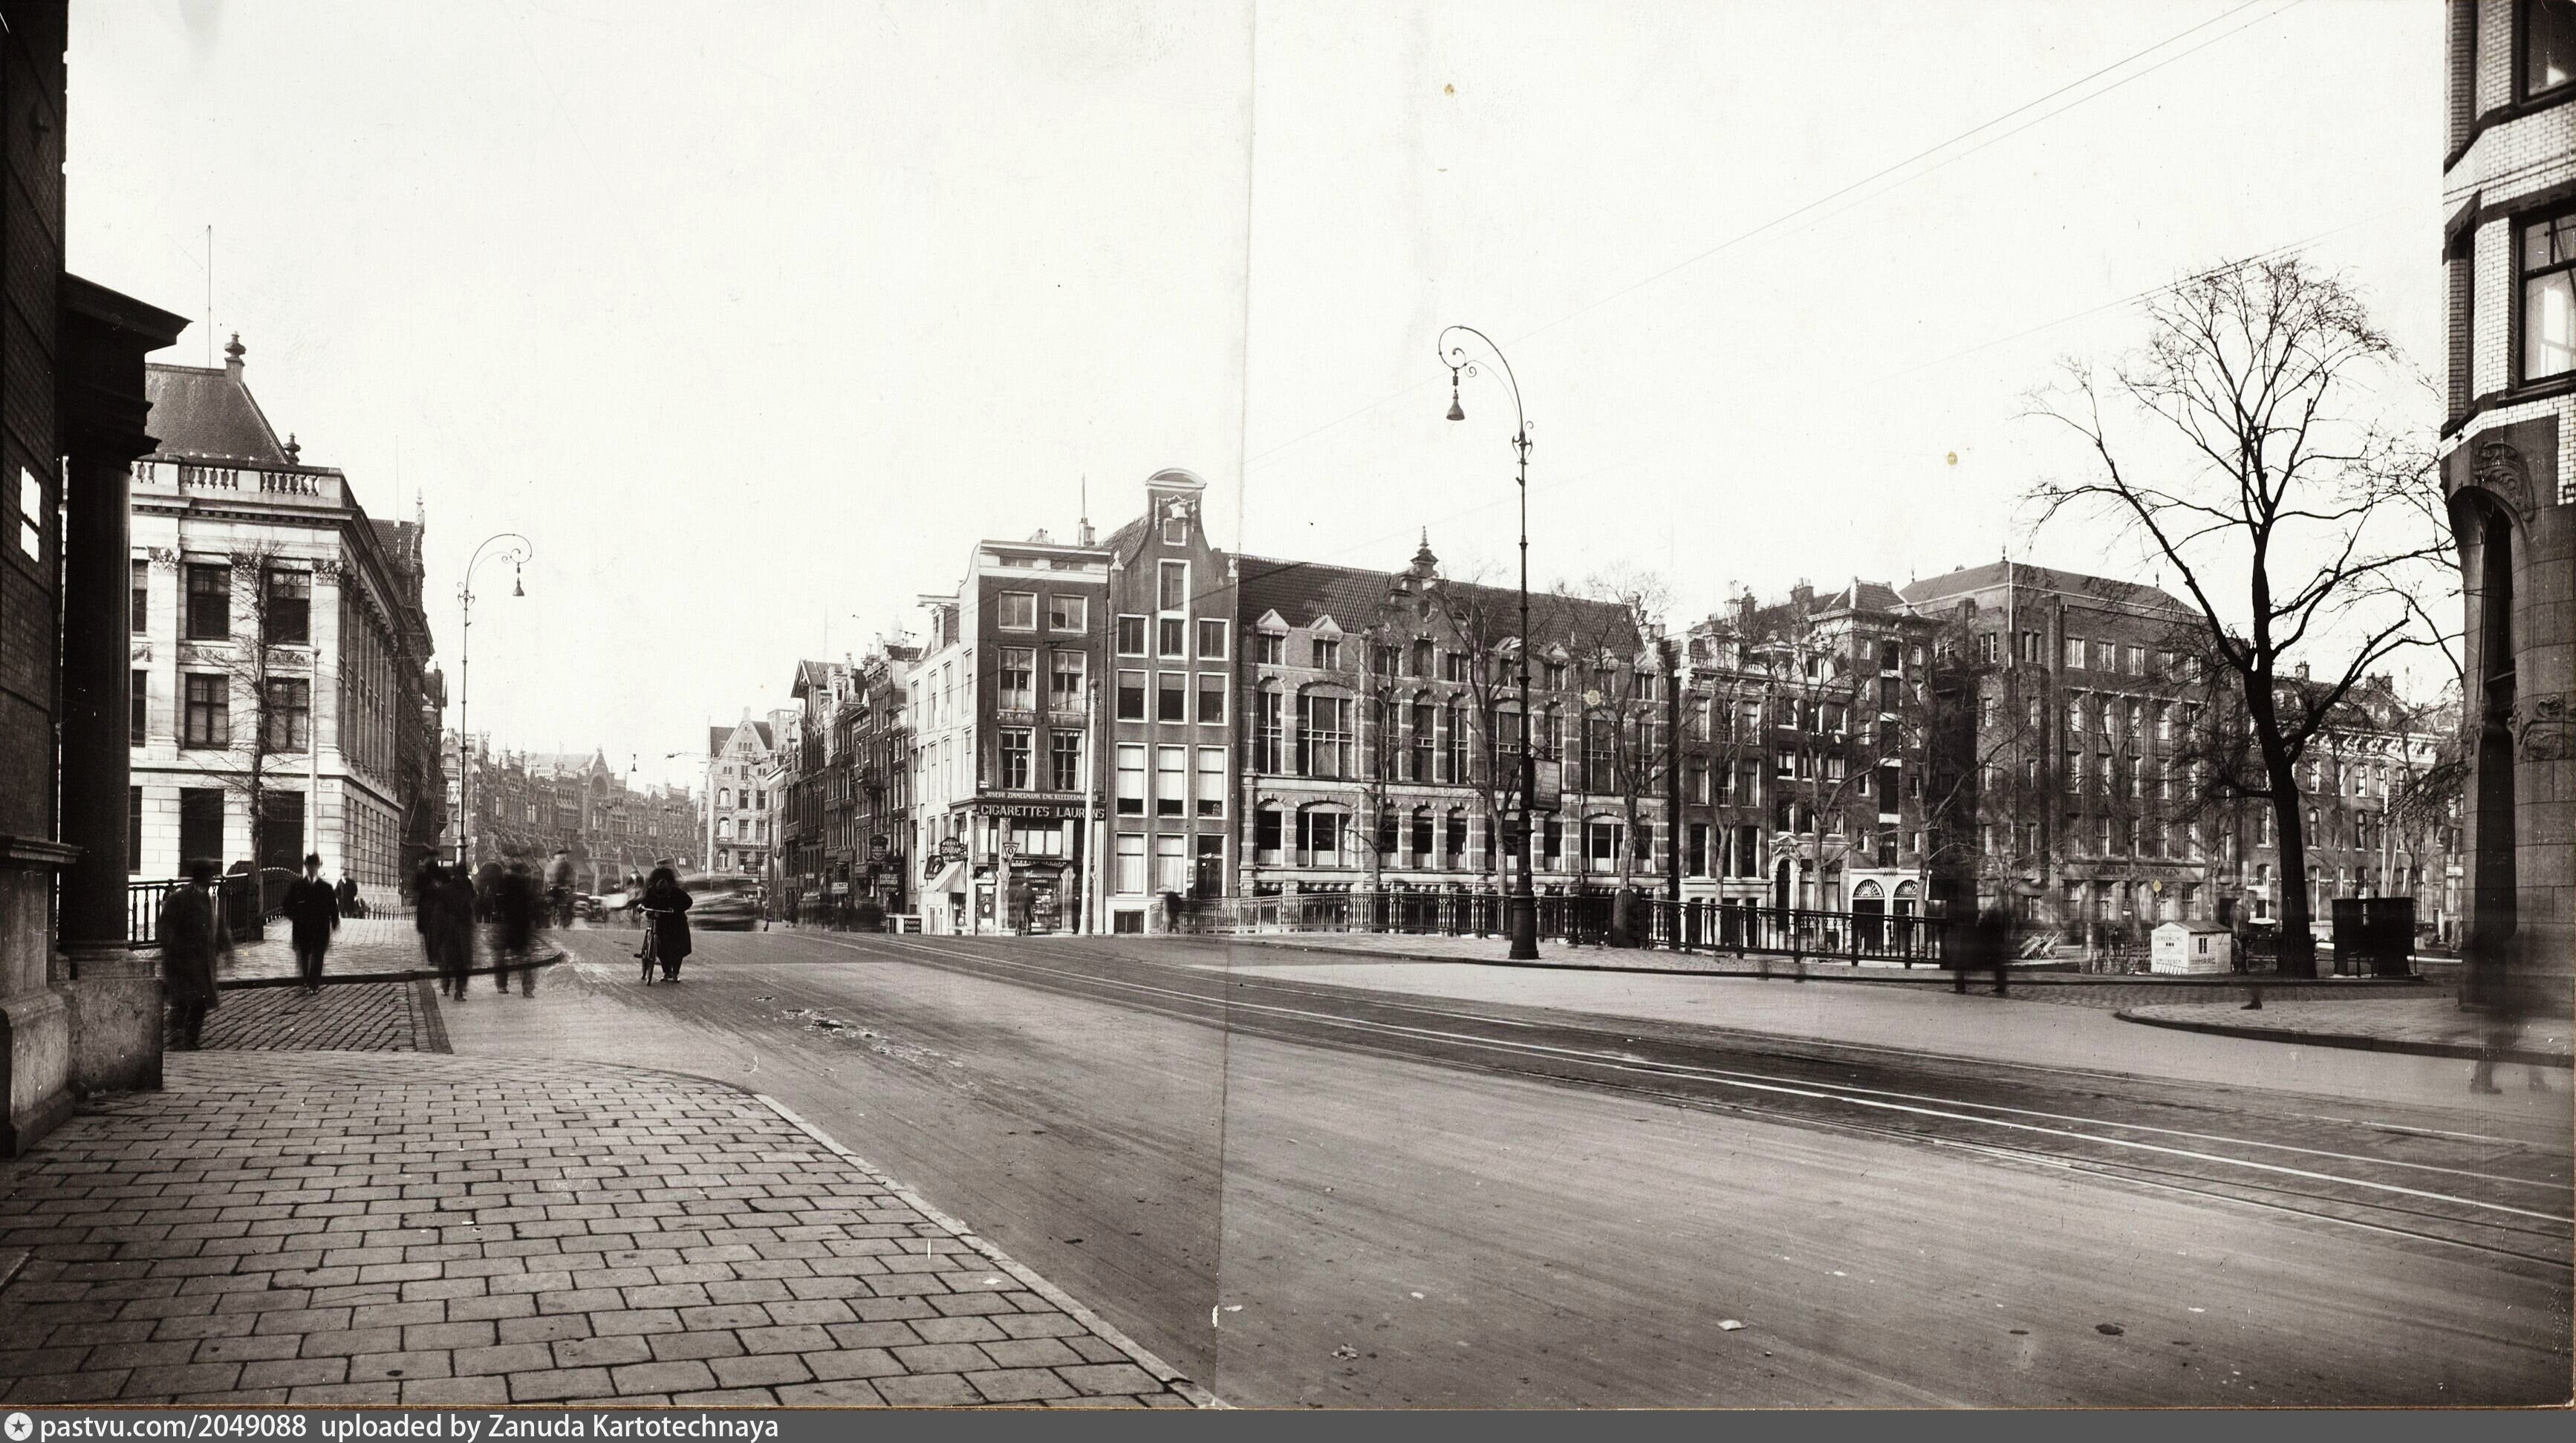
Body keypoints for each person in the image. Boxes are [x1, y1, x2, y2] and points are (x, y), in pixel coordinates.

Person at [157, 859, 229, 1049]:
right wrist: (172, 950)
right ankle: (180, 1038)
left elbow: (215, 924)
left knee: (200, 1000)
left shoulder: (207, 898)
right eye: (209, 876)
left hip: (200, 960)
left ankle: (189, 1038)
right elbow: (165, 927)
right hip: (183, 960)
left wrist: (222, 943)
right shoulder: (180, 898)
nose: (211, 880)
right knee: (183, 1000)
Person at [282, 853, 339, 993]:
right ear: (306, 866)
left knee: (318, 956)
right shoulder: (297, 886)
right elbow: (287, 905)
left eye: (315, 866)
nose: (312, 869)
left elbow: (333, 907)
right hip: (303, 928)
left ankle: (314, 984)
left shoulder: (326, 887)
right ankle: (306, 980)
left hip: (320, 929)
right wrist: (295, 917)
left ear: (319, 866)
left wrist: (335, 922)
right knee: (304, 956)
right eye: (310, 866)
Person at [494, 859, 540, 997]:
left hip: (506, 925)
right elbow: (531, 905)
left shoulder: (504, 882)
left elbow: (498, 903)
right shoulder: (525, 885)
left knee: (501, 957)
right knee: (524, 957)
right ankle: (527, 989)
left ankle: (502, 985)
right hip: (520, 926)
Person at [639, 864, 693, 983]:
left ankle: (675, 973)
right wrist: (642, 907)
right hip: (661, 922)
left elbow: (689, 902)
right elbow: (645, 902)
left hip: (677, 923)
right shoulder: (651, 891)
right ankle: (667, 972)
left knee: (677, 949)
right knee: (661, 948)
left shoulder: (676, 893)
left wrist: (676, 909)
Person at [546, 848, 577, 929]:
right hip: (555, 887)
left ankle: (566, 921)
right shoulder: (552, 865)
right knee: (548, 900)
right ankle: (549, 915)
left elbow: (571, 876)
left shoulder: (567, 865)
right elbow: (548, 876)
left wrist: (569, 884)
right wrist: (550, 882)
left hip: (563, 887)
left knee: (568, 901)